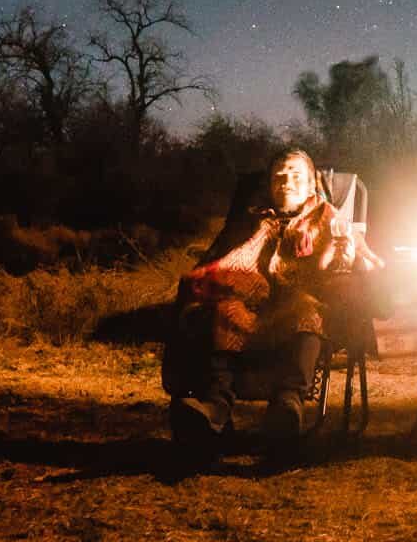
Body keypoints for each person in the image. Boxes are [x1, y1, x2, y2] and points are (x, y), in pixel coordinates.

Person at [163, 149, 380, 448]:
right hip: (246, 300)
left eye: (295, 175)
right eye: (278, 176)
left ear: (310, 185)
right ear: (269, 186)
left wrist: (349, 258)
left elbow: (361, 262)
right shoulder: (250, 219)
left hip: (296, 302)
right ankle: (215, 408)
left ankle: (288, 405)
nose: (286, 181)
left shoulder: (328, 217)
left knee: (308, 311)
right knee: (221, 312)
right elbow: (222, 261)